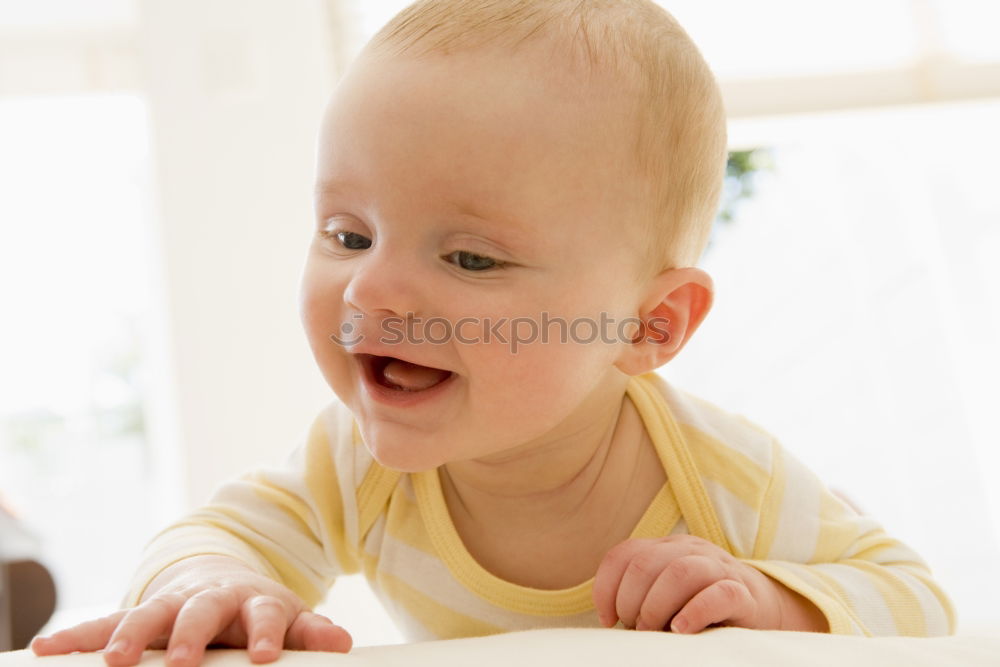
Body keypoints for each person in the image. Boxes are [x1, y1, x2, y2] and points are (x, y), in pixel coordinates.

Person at [30, 1, 956, 665]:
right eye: (348, 233)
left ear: (649, 324)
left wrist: (773, 602)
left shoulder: (718, 479)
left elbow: (918, 599)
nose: (370, 284)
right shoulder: (360, 463)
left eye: (471, 259)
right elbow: (227, 529)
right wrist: (211, 580)